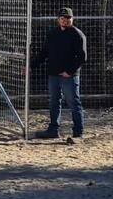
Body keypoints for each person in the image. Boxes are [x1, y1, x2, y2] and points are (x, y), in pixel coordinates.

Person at [31, 7, 87, 139]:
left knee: (73, 102)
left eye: (68, 18)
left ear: (72, 19)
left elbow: (82, 57)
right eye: (62, 18)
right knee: (54, 102)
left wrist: (70, 71)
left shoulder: (78, 35)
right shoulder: (52, 34)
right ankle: (53, 130)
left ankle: (78, 132)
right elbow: (44, 53)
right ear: (58, 19)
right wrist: (31, 66)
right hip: (54, 75)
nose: (65, 21)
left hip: (69, 76)